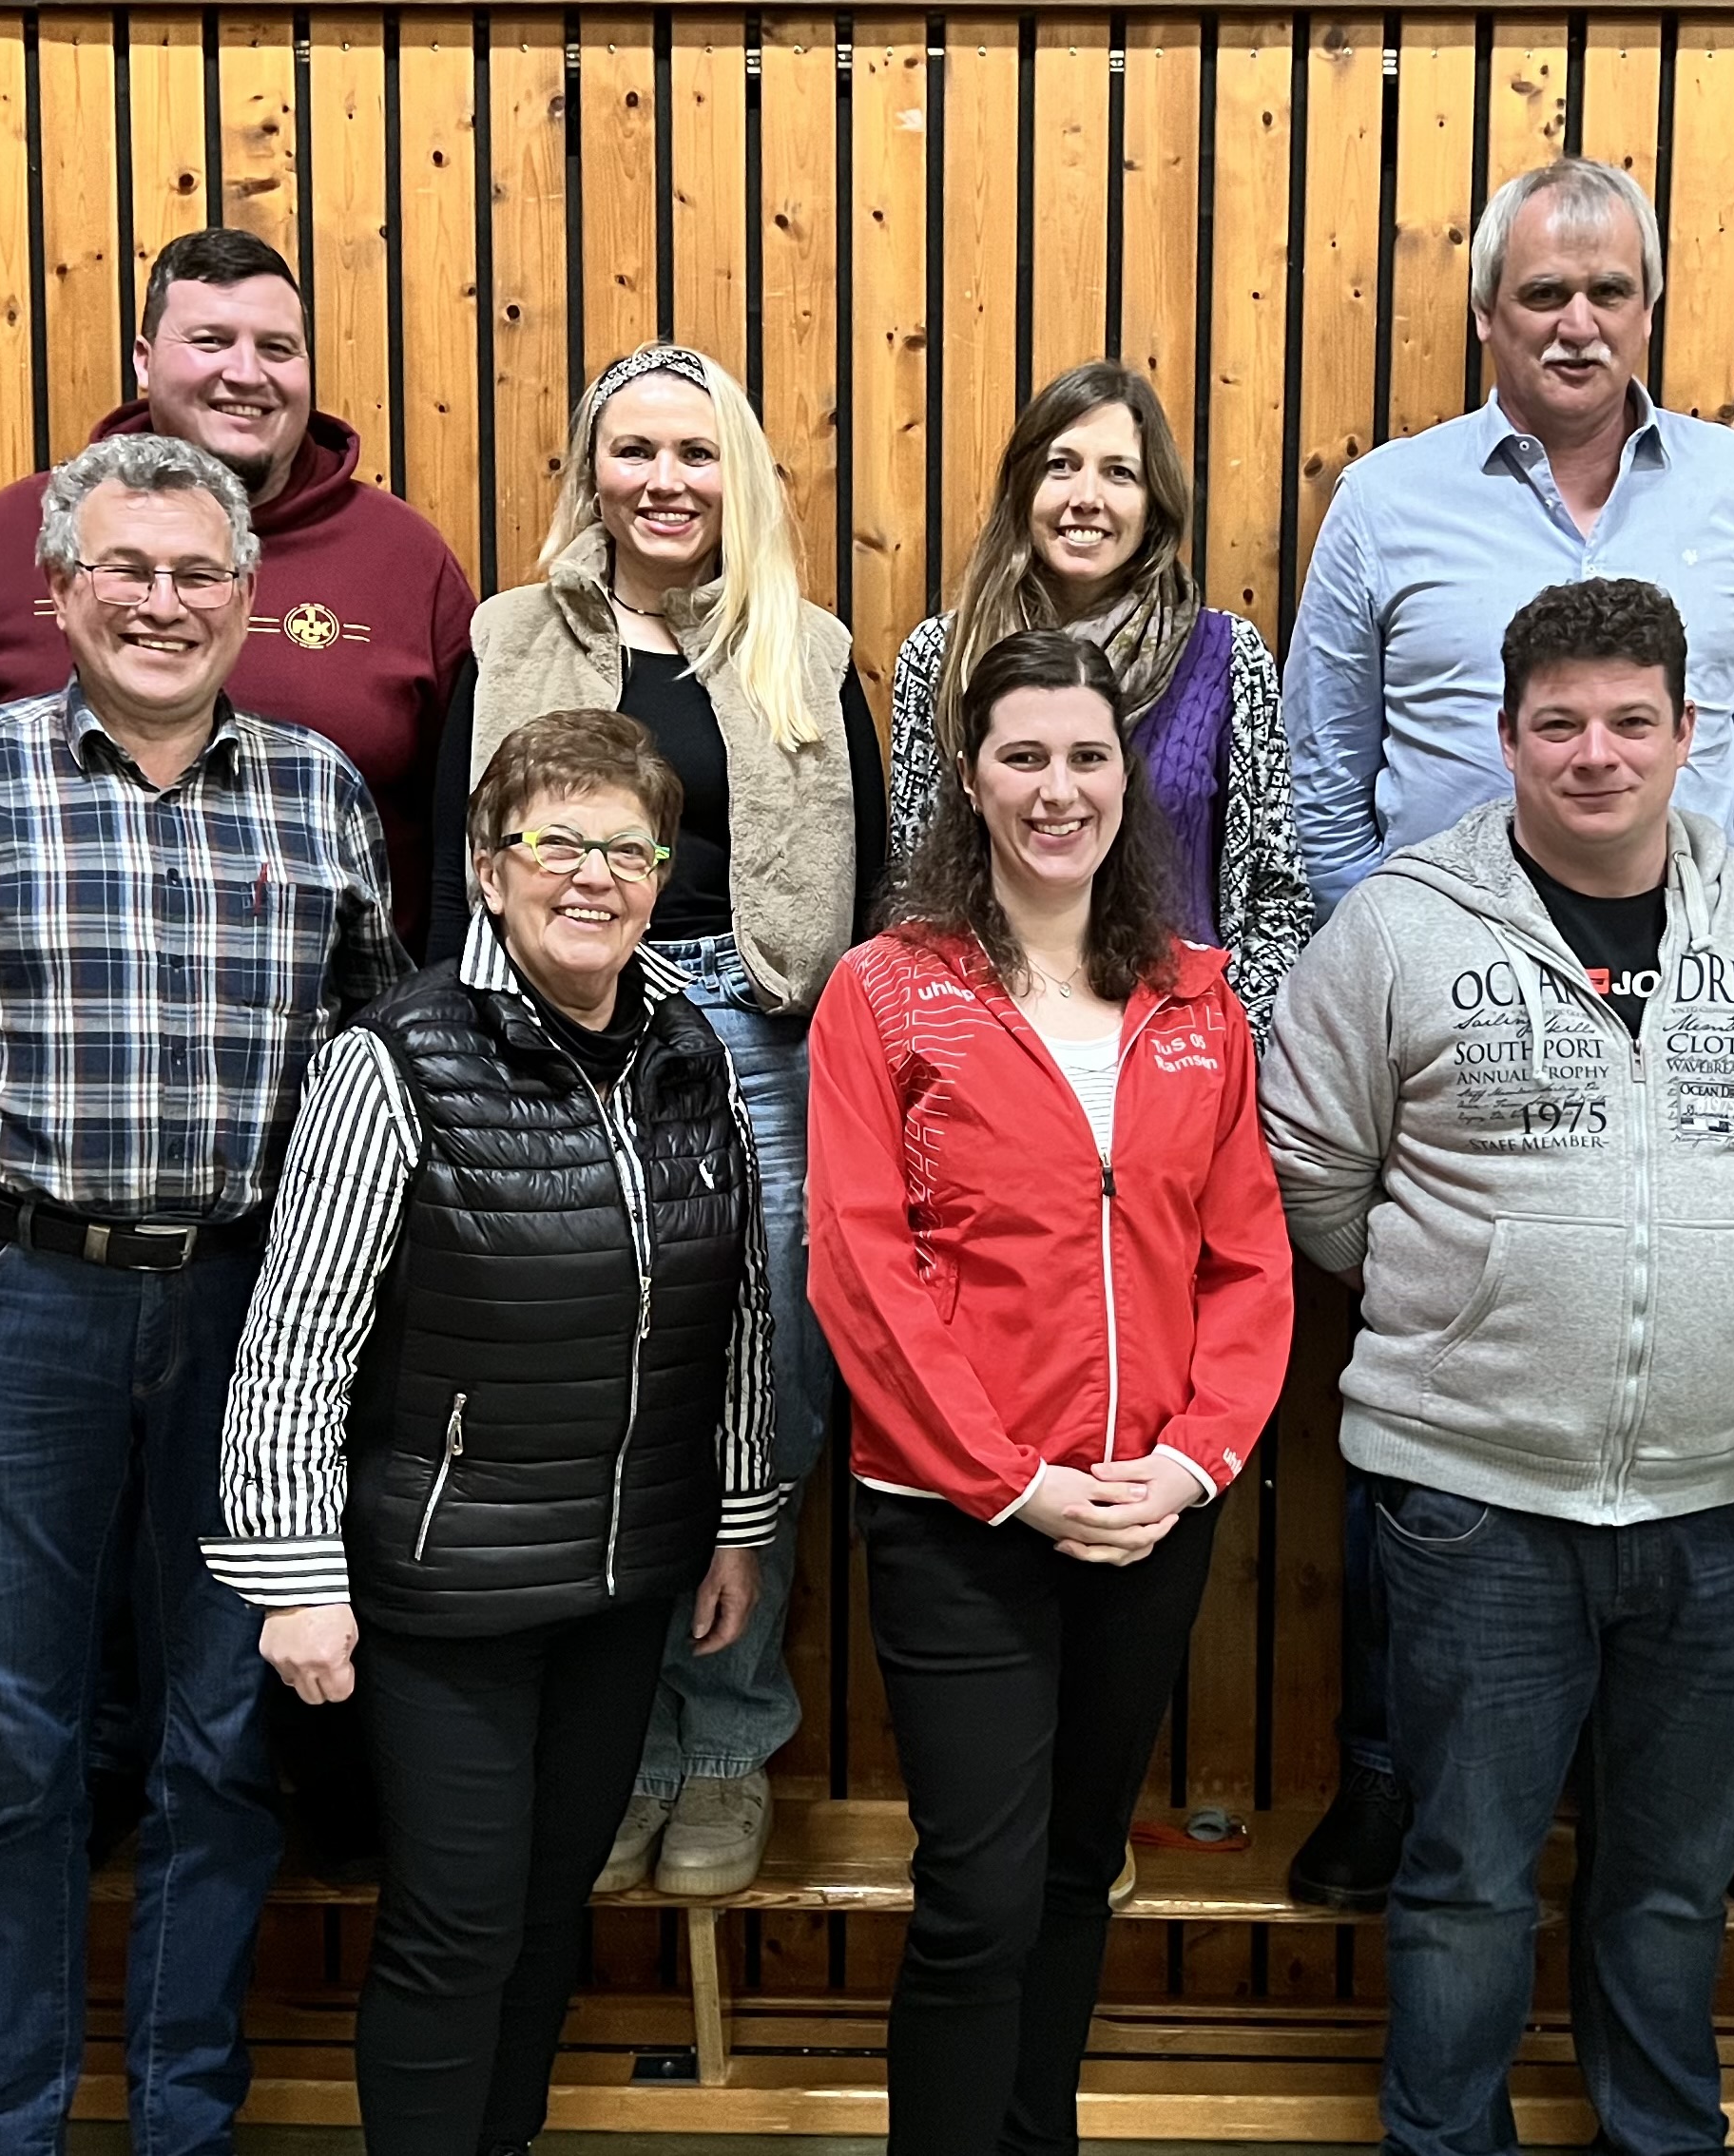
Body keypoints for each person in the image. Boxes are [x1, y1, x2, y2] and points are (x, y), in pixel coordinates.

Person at [0, 433, 399, 2154]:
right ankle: (11, 2122)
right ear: (59, 591)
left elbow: (375, 1084)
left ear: (248, 598)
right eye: (124, 569)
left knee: (222, 1743)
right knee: (21, 1752)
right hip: (5, 1308)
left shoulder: (319, 795)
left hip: (245, 1321)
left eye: (197, 572)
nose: (161, 601)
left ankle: (182, 2119)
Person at [1279, 155, 1734, 1915]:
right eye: (1542, 293)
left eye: (1608, 292)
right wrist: (1403, 965)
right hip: (1447, 1024)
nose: (1577, 322)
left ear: (1648, 309)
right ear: (1486, 314)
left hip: (1695, 1013)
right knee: (1424, 1375)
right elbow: (1318, 766)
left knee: (1717, 1368)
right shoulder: (1388, 500)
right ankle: (1392, 1770)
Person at [1260, 578, 1734, 2156]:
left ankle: (1659, 2136)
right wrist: (1476, 1302)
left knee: (1671, 1881)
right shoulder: (1396, 927)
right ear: (1506, 733)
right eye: (1560, 723)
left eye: (1630, 721)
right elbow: (1314, 1168)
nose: (1596, 753)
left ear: (1688, 730)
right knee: (1465, 1877)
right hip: (1475, 1501)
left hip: (1717, 1504)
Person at [207, 708, 780, 2155]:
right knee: (455, 1928)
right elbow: (297, 1337)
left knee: (544, 1916)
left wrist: (736, 1519)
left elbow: (738, 1307)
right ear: (486, 864)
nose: (594, 877)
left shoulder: (690, 1049)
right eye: (557, 842)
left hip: (623, 1578)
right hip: (446, 1588)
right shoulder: (396, 1057)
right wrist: (294, 1574)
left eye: (629, 851)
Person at [810, 628, 1297, 2155]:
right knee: (981, 1893)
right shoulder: (884, 994)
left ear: (1127, 780)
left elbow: (1249, 1260)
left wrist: (1194, 1464)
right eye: (1022, 756)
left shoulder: (1199, 1001)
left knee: (1079, 1872)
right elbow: (861, 1268)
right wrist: (1010, 1480)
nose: (1057, 788)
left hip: (1150, 1514)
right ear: (969, 780)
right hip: (960, 1518)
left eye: (1087, 756)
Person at [423, 341, 886, 1901]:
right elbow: (450, 868)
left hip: (756, 1042)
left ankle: (726, 1739)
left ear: (735, 476)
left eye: (696, 453)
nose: (665, 481)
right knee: (585, 1388)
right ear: (592, 470)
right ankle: (616, 1748)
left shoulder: (804, 649)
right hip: (548, 1032)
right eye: (635, 450)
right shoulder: (507, 637)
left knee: (766, 1390)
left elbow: (873, 895)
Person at [0, 226, 472, 958]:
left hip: (334, 1016)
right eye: (210, 341)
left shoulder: (404, 558)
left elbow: (470, 837)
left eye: (277, 348)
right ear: (144, 360)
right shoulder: (16, 535)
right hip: (44, 1013)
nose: (247, 373)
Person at [887, 360, 1311, 1025]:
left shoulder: (1227, 659)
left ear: (1154, 501)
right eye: (1061, 466)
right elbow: (915, 885)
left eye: (1119, 473)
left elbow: (1276, 896)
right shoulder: (943, 656)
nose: (1086, 497)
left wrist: (1225, 1038)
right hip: (992, 1038)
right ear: (1024, 485)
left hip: (1183, 1036)